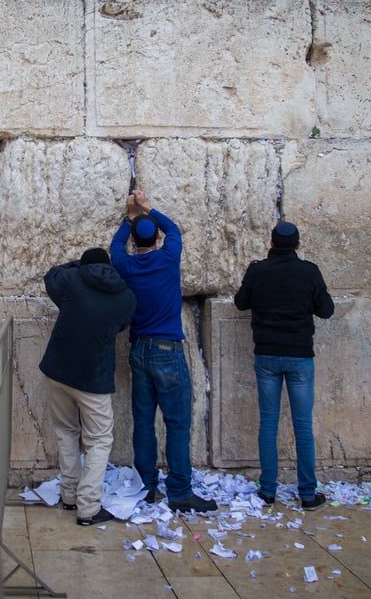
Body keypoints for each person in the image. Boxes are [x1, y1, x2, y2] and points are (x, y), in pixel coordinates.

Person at [110, 189, 216, 513]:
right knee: (177, 422)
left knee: (143, 421)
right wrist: (146, 208)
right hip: (167, 350)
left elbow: (115, 248)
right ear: (156, 238)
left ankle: (147, 488)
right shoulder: (169, 258)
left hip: (139, 350)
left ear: (134, 242)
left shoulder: (126, 265)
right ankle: (181, 492)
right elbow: (173, 228)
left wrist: (129, 219)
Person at [233, 221, 335, 511]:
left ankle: (267, 491)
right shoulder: (309, 272)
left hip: (266, 355)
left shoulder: (257, 270)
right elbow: (326, 310)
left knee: (268, 423)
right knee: (302, 426)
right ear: (298, 245)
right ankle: (307, 493)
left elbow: (241, 303)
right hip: (299, 355)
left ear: (272, 242)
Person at [39, 247, 137, 526]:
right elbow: (121, 326)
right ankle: (89, 507)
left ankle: (69, 496)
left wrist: (77, 265)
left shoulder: (72, 281)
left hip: (58, 371)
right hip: (94, 378)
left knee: (66, 431)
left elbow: (51, 276)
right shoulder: (126, 297)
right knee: (99, 440)